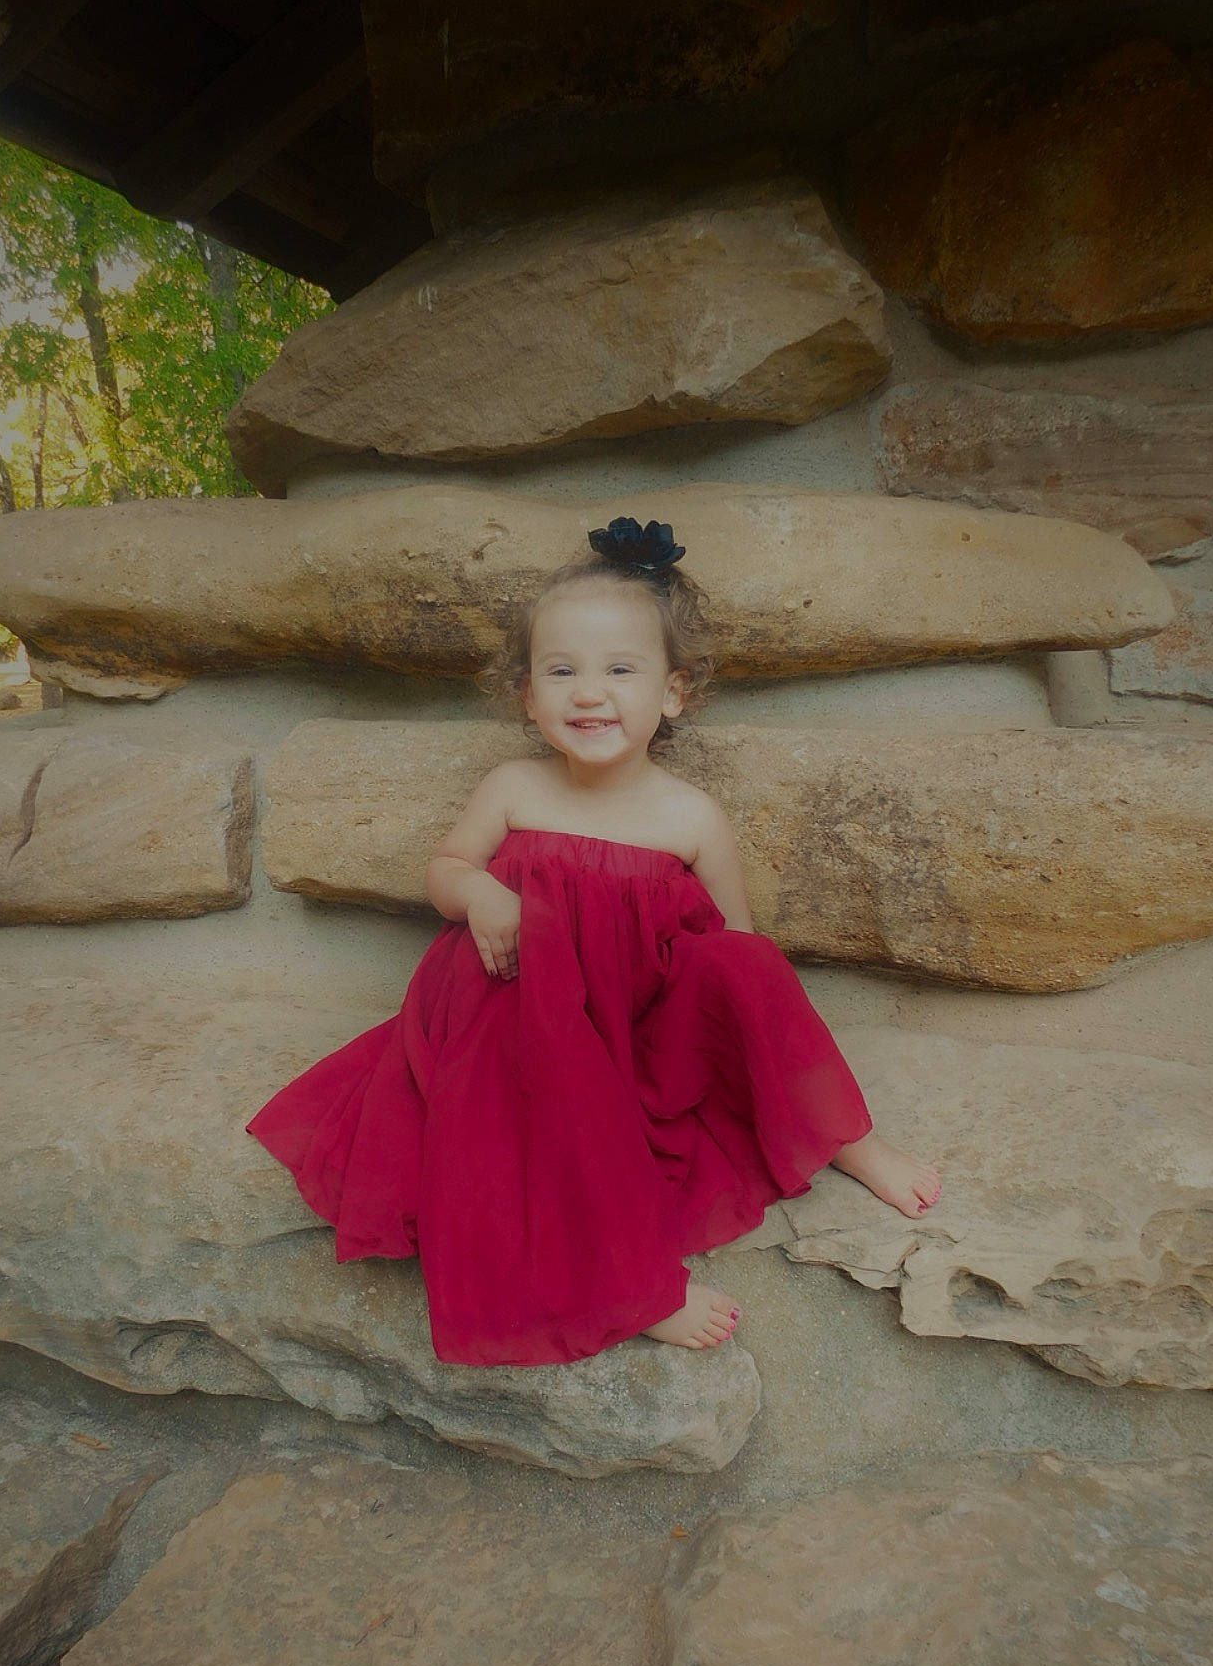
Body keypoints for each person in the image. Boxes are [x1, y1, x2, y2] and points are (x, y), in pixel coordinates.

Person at [245, 515, 942, 1366]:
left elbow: (734, 939)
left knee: (748, 965)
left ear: (672, 694)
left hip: (639, 1029)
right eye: (562, 671)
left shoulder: (690, 816)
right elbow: (447, 866)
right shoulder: (514, 787)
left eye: (619, 670)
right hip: (520, 1025)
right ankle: (636, 1285)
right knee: (544, 1052)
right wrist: (480, 893)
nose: (587, 694)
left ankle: (842, 1136)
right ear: (528, 696)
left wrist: (723, 1019)